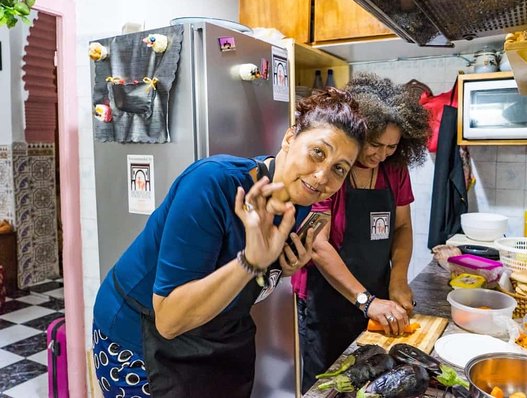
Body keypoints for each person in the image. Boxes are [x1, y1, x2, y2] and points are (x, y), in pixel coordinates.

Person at [92, 87, 367, 398]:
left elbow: (247, 280)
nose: (321, 176)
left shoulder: (299, 199)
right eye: (318, 152)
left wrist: (281, 269)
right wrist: (250, 263)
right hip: (140, 337)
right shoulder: (212, 183)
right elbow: (168, 321)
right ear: (290, 139)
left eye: (338, 170)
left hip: (215, 337)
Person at [293, 73, 431, 392]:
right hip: (326, 300)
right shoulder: (332, 170)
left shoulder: (394, 169)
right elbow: (318, 244)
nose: (379, 155)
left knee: (375, 383)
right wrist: (365, 301)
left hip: (376, 293)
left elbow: (402, 227)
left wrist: (397, 282)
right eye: (374, 144)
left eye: (391, 147)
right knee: (328, 384)